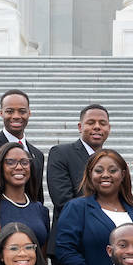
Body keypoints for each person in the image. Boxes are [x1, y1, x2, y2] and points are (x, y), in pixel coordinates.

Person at [47, 104, 109, 255]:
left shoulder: (111, 160)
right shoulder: (61, 153)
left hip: (104, 245)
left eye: (102, 123)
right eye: (91, 122)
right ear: (80, 127)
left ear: (109, 128)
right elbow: (63, 201)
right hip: (71, 243)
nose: (97, 127)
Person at [0, 89, 44, 205]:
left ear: (29, 113)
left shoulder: (37, 155)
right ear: (1, 113)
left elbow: (37, 198)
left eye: (22, 111)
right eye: (10, 111)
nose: (16, 116)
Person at [0, 141, 50, 246]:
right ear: (0, 167)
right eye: (11, 162)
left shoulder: (40, 210)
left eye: (24, 162)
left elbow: (42, 257)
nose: (19, 167)